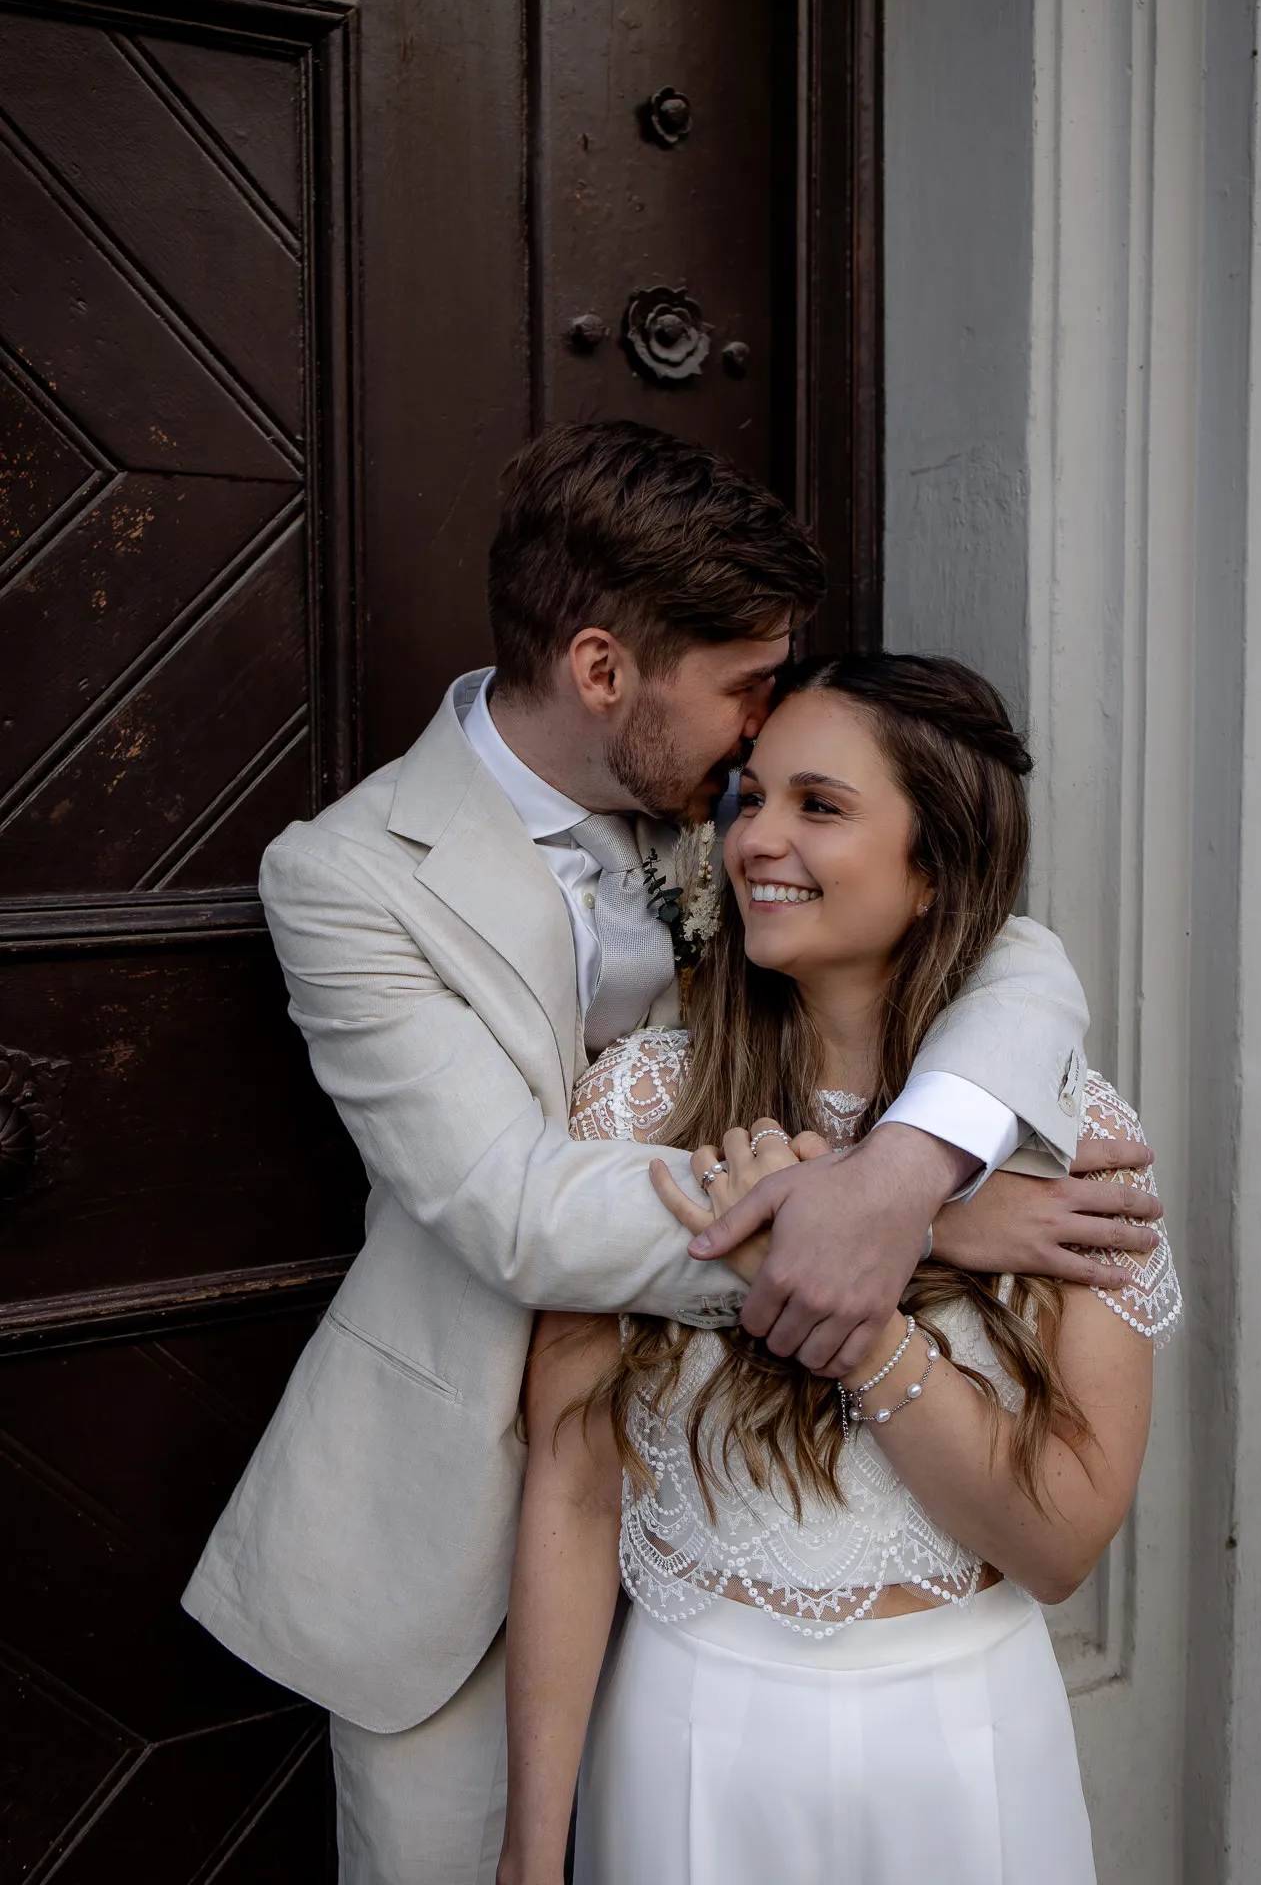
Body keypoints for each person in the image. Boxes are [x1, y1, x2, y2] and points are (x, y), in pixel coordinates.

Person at [181, 424, 1157, 1885]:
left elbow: (999, 946)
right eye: (747, 692)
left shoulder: (725, 812)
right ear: (600, 674)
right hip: (467, 1506)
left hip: (750, 1512)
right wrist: (919, 1230)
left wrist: (903, 1168)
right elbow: (516, 1211)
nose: (762, 748)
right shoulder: (348, 878)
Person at [500, 653, 1181, 1885]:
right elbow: (572, 1490)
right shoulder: (643, 1103)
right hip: (686, 1736)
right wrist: (532, 1852)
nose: (758, 835)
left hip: (966, 1747)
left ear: (934, 869)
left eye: (819, 805)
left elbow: (1060, 1545)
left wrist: (862, 1320)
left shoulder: (1073, 1149)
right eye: (749, 796)